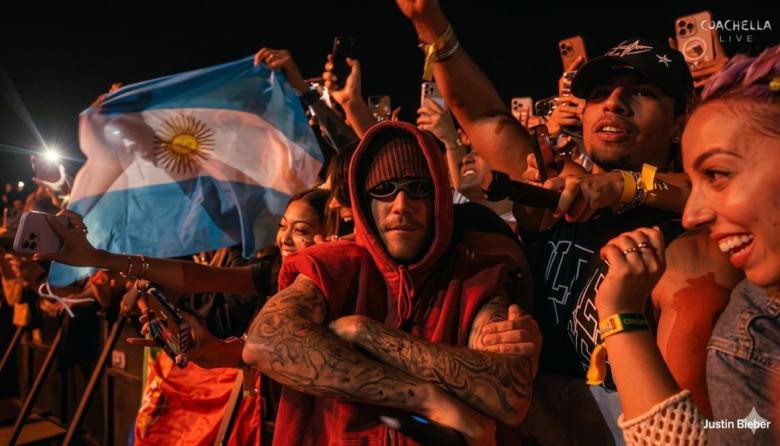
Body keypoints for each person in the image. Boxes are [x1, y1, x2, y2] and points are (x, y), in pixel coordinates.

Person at [392, 0, 741, 440]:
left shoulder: (691, 248)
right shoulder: (554, 189)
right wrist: (429, 22)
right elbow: (484, 117)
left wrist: (623, 184)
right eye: (599, 94)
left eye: (642, 92)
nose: (614, 104)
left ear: (679, 123)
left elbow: (686, 429)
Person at [242, 121, 537, 445]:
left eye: (417, 189)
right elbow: (266, 342)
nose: (401, 205)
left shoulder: (476, 277)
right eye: (383, 190)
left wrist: (366, 333)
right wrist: (423, 397)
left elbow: (510, 391)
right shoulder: (333, 266)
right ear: (364, 202)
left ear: (438, 196)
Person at [597, 44, 780, 445]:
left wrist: (622, 316)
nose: (692, 215)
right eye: (597, 94)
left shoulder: (750, 334)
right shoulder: (753, 328)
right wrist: (620, 313)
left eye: (716, 174)